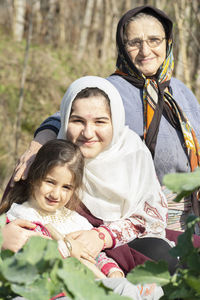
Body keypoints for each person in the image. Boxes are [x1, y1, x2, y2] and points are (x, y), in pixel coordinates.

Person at [12, 5, 200, 234]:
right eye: (134, 42)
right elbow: (64, 118)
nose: (145, 50)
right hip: (150, 215)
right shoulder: (113, 90)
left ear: (168, 42)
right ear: (122, 46)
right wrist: (37, 146)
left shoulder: (180, 91)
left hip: (193, 213)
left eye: (154, 40)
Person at [2, 75, 179, 282]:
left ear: (116, 121)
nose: (88, 132)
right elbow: (12, 215)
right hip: (69, 259)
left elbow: (152, 216)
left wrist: (102, 236)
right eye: (77, 121)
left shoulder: (133, 152)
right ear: (65, 118)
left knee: (170, 257)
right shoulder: (49, 161)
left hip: (121, 247)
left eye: (100, 122)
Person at [1, 139, 125, 279]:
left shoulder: (75, 221)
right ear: (34, 177)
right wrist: (68, 248)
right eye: (50, 182)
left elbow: (93, 255)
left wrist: (112, 270)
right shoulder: (22, 219)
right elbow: (35, 260)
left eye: (66, 187)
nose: (55, 194)